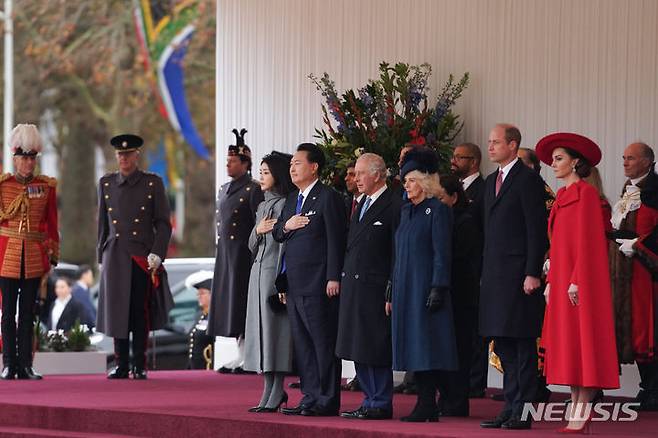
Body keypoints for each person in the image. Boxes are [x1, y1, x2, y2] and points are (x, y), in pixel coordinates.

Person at [536, 133, 620, 433]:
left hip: (580, 281)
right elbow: (559, 243)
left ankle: (581, 411)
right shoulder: (561, 197)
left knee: (582, 340)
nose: (553, 164)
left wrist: (576, 281)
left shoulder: (585, 195)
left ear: (575, 162)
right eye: (553, 159)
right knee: (569, 343)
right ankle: (575, 406)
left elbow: (589, 243)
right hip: (561, 281)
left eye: (559, 159)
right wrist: (551, 280)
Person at [478, 124, 548, 430]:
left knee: (521, 344)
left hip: (520, 275)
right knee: (503, 342)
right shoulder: (491, 180)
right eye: (490, 142)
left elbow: (536, 230)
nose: (490, 147)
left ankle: (523, 410)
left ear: (513, 144)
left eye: (496, 142)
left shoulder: (528, 180)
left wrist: (533, 272)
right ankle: (510, 405)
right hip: (495, 275)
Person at [273, 143, 347, 417]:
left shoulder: (328, 197)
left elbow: (335, 241)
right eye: (291, 164)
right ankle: (310, 396)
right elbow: (279, 233)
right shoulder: (293, 199)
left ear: (314, 166)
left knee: (322, 343)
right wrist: (286, 225)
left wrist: (332, 277)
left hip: (319, 283)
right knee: (303, 345)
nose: (292, 168)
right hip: (294, 283)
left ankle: (327, 399)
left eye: (298, 163)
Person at [390, 148, 458, 422]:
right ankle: (426, 402)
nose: (407, 185)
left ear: (425, 183)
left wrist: (438, 287)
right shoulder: (407, 212)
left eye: (412, 180)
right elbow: (398, 252)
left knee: (426, 347)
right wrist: (391, 285)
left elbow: (442, 253)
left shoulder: (437, 210)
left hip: (426, 288)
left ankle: (428, 403)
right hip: (406, 288)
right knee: (413, 345)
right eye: (405, 181)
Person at [97, 134, 172, 380]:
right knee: (117, 310)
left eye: (128, 155)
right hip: (115, 254)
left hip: (141, 254)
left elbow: (163, 223)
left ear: (136, 155)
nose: (123, 159)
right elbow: (103, 225)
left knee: (139, 311)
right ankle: (121, 363)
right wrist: (100, 257)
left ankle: (138, 364)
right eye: (120, 155)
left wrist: (157, 253)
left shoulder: (152, 183)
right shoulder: (106, 183)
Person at [336, 153, 402, 420]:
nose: (356, 178)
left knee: (375, 346)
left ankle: (380, 401)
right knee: (356, 346)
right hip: (353, 285)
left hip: (376, 288)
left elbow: (398, 252)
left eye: (361, 173)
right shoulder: (359, 204)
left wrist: (391, 288)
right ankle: (368, 399)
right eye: (355, 174)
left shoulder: (394, 204)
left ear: (377, 174)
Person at [0, 124, 59, 380]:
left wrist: (52, 255)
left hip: (34, 257)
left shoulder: (46, 187)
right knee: (7, 313)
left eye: (32, 158)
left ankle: (25, 364)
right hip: (7, 256)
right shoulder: (3, 185)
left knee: (27, 314)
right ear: (15, 159)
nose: (28, 163)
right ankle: (8, 363)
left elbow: (52, 224)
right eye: (24, 158)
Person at [208, 128, 264, 374]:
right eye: (227, 161)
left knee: (242, 303)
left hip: (244, 254)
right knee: (230, 304)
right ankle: (240, 353)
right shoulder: (223, 189)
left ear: (245, 163)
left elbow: (257, 224)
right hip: (226, 253)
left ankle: (248, 355)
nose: (228, 165)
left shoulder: (253, 189)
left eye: (232, 161)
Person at [244, 152, 295, 413]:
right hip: (258, 272)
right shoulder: (262, 205)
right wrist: (257, 230)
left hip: (274, 274)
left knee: (276, 334)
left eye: (265, 172)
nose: (261, 177)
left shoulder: (288, 203)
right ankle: (268, 389)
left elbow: (285, 243)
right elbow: (251, 245)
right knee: (260, 334)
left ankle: (277, 390)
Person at [608, 142, 658, 411]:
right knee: (637, 330)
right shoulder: (629, 190)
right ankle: (648, 387)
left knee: (649, 329)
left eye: (631, 158)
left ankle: (654, 390)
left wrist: (639, 246)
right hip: (627, 271)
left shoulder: (655, 190)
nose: (625, 163)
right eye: (624, 157)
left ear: (648, 162)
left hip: (648, 273)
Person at [435, 174, 483, 416]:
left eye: (440, 198)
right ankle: (445, 397)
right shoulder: (441, 220)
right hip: (445, 296)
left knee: (460, 350)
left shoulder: (465, 222)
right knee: (443, 350)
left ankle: (456, 402)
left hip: (461, 297)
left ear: (453, 198)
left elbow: (462, 261)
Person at [184, 270, 215, 370]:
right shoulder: (201, 316)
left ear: (212, 295)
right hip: (195, 367)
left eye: (202, 293)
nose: (199, 296)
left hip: (207, 368)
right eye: (198, 294)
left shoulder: (215, 318)